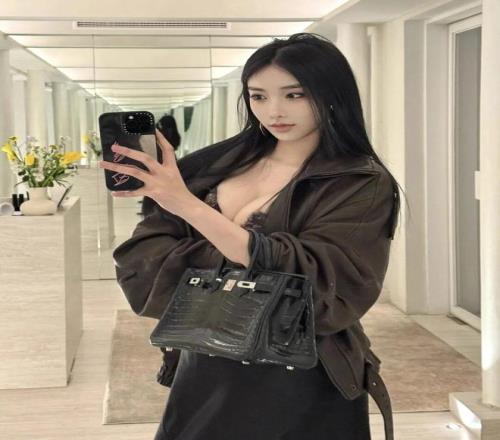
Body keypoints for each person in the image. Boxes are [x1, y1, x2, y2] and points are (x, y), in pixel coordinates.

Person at [103, 32, 407, 440]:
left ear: (331, 94)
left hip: (303, 374)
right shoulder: (213, 164)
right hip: (204, 364)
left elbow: (323, 288)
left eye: (295, 95)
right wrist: (254, 260)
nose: (274, 111)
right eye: (258, 96)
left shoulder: (359, 182)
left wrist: (189, 211)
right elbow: (141, 262)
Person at [140, 114, 182, 216]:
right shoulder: (175, 135)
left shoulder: (160, 133)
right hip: (171, 159)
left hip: (158, 159)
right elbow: (175, 146)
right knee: (165, 185)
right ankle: (162, 209)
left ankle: (150, 210)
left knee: (154, 184)